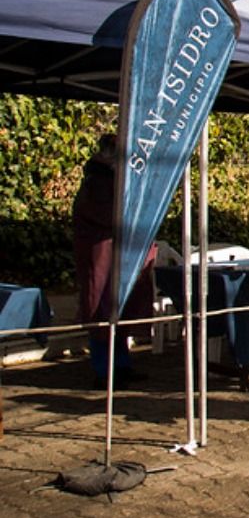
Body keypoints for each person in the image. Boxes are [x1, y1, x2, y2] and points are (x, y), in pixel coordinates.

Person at [72, 133, 156, 389]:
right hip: (102, 256)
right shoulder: (97, 182)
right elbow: (107, 216)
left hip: (118, 256)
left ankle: (120, 365)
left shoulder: (112, 179)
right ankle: (103, 370)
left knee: (119, 312)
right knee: (101, 311)